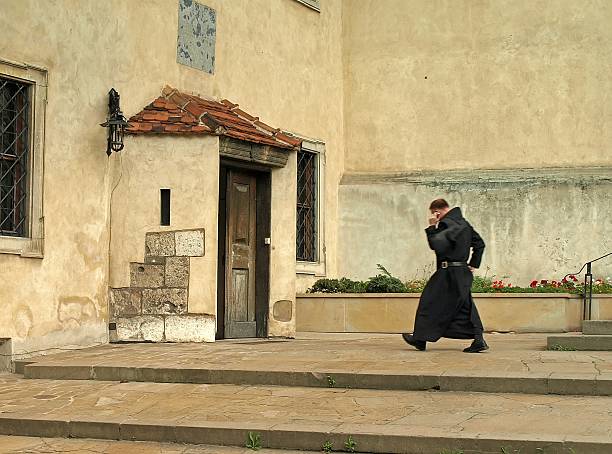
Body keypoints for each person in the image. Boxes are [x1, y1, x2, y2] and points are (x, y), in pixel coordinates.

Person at [402, 199, 488, 353]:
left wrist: (431, 227)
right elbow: (480, 244)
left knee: (429, 302)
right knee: (465, 306)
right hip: (462, 272)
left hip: (448, 272)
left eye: (434, 214)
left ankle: (420, 339)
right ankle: (478, 339)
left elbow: (437, 245)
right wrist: (473, 264)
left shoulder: (446, 223)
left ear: (437, 211)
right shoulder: (464, 224)